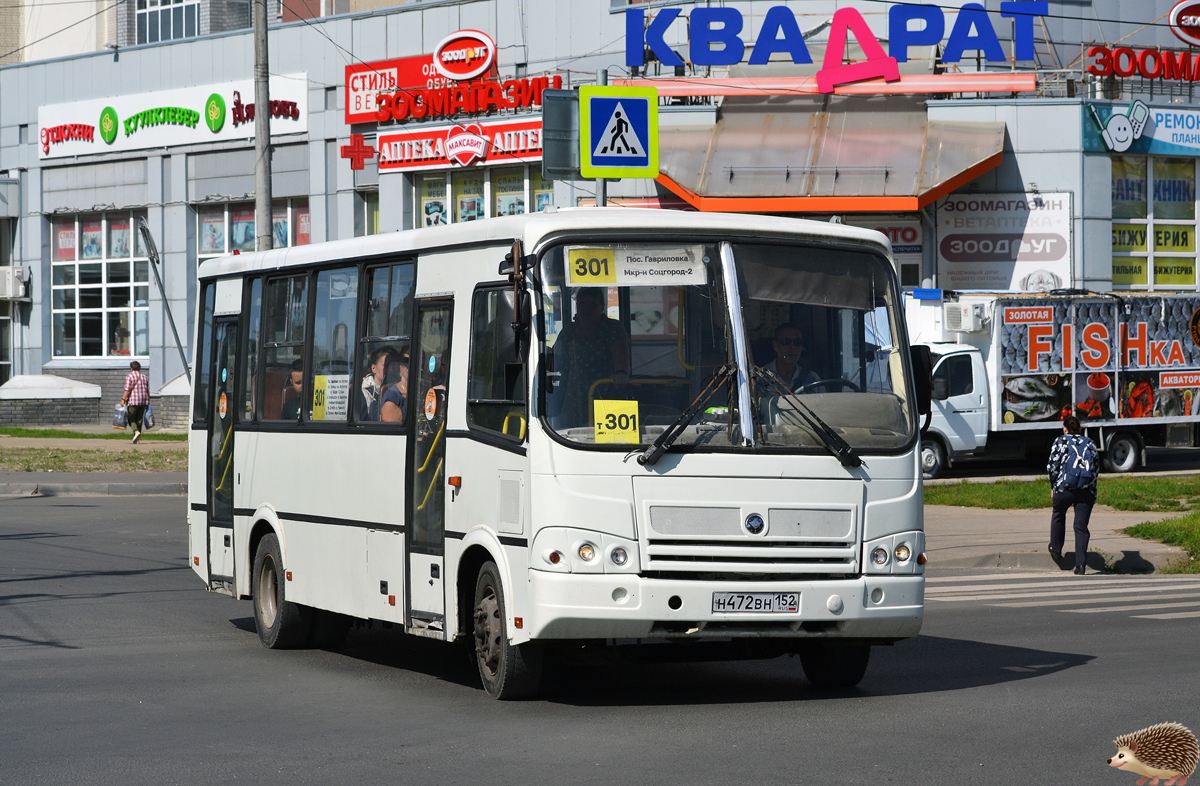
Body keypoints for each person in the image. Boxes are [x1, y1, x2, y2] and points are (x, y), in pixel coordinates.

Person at [552, 287, 630, 427]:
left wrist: (621, 373)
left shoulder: (612, 328)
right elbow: (555, 360)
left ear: (602, 307)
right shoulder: (568, 331)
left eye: (593, 304)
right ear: (576, 307)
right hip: (571, 399)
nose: (587, 309)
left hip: (605, 397)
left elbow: (620, 354)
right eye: (582, 304)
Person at [1046, 415, 1099, 575]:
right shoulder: (1090, 443)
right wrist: (1091, 489)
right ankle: (1081, 565)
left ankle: (1055, 548)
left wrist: (1054, 486)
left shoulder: (1060, 441)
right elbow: (1095, 469)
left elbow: (1052, 467)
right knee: (1080, 526)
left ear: (1065, 428)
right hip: (1085, 490)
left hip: (1064, 489)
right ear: (1080, 428)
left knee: (1058, 514)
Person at [769, 324, 821, 391]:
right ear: (775, 345)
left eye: (797, 342)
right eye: (786, 341)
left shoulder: (813, 379)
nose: (793, 347)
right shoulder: (761, 379)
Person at [360, 347, 400, 421]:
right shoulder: (363, 391)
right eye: (386, 365)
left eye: (394, 365)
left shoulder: (400, 388)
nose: (391, 370)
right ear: (374, 368)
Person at [121, 360, 149, 444]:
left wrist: (123, 399)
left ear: (131, 368)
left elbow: (127, 389)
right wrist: (149, 402)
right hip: (143, 401)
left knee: (130, 417)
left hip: (134, 400)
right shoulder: (145, 377)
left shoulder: (130, 376)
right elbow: (147, 390)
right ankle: (137, 439)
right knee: (139, 419)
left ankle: (136, 432)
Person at [380, 351, 410, 423]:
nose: (410, 365)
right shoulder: (392, 395)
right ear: (400, 365)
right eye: (406, 361)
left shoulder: (424, 392)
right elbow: (393, 430)